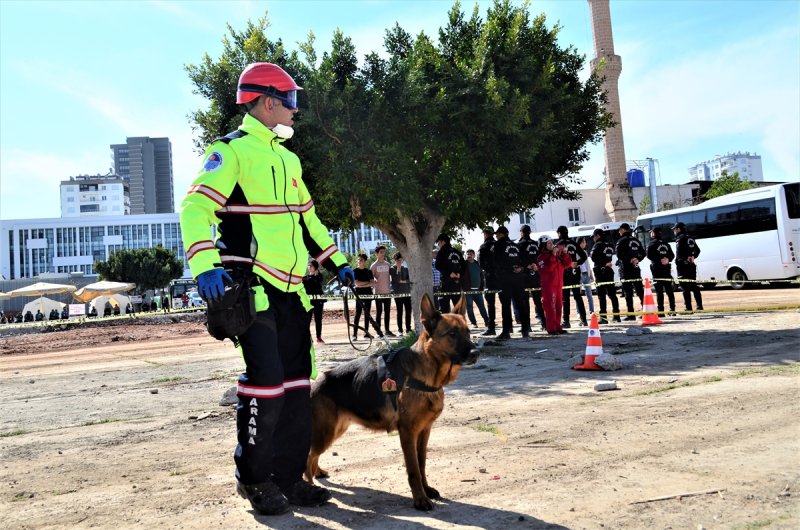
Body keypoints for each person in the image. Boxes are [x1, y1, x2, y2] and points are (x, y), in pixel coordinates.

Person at [179, 62, 355, 515]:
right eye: (291, 100)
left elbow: (308, 221)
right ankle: (254, 480)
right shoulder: (230, 151)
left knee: (298, 388)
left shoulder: (288, 158)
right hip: (252, 289)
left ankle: (288, 479)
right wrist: (205, 266)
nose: (296, 109)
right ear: (268, 101)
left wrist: (337, 262)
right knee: (266, 386)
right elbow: (194, 210)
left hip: (293, 293)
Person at [492, 226, 530, 339]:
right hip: (518, 278)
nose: (496, 236)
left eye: (497, 234)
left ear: (502, 234)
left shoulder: (498, 245)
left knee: (506, 305)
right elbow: (525, 260)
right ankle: (525, 330)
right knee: (521, 304)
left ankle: (506, 331)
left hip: (505, 279)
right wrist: (520, 268)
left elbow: (496, 262)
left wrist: (508, 270)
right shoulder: (516, 245)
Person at [536, 237, 572, 334]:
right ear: (544, 246)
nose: (552, 245)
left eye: (552, 243)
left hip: (558, 285)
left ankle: (557, 327)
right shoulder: (541, 258)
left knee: (558, 306)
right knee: (550, 307)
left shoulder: (557, 256)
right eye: (549, 244)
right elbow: (549, 268)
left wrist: (565, 253)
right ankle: (551, 329)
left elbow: (568, 264)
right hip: (548, 286)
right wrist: (553, 255)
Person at [556, 226, 588, 328]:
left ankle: (566, 321)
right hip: (575, 272)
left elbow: (556, 259)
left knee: (565, 297)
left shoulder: (559, 245)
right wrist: (577, 263)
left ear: (559, 233)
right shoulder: (573, 243)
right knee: (577, 296)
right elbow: (584, 256)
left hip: (565, 273)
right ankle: (584, 320)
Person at [615, 223, 646, 321]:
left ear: (623, 230)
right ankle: (645, 311)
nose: (619, 232)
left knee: (628, 292)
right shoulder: (636, 240)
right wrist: (637, 259)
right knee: (640, 291)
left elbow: (619, 255)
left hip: (626, 269)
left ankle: (631, 314)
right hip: (636, 268)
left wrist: (629, 259)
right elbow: (643, 253)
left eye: (620, 230)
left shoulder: (621, 241)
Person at [590, 228, 621, 323]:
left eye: (594, 237)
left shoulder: (597, 245)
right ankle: (616, 316)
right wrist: (606, 263)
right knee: (612, 294)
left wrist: (603, 264)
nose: (593, 239)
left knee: (601, 295)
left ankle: (603, 317)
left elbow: (593, 257)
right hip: (609, 271)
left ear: (597, 236)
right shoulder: (610, 245)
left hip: (601, 272)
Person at [518, 225, 545, 331]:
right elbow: (540, 257)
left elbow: (518, 259)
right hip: (536, 275)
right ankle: (544, 323)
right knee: (538, 302)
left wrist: (527, 266)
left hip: (525, 276)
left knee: (525, 302)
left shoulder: (520, 244)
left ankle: (527, 326)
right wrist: (535, 265)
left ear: (521, 232)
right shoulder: (535, 244)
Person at [673, 222, 703, 312]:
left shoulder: (679, 238)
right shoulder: (690, 238)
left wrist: (680, 261)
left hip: (683, 267)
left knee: (685, 288)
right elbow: (697, 250)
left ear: (678, 229)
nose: (674, 231)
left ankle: (688, 308)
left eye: (674, 229)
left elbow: (678, 255)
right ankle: (699, 306)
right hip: (691, 265)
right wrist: (693, 257)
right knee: (694, 286)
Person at [646, 227, 676, 316]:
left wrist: (659, 261)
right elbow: (672, 255)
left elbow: (649, 255)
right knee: (669, 290)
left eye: (651, 232)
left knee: (659, 291)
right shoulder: (666, 244)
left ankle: (661, 311)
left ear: (654, 234)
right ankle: (672, 309)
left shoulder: (651, 244)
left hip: (657, 269)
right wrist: (667, 260)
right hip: (666, 269)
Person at [435, 234, 465, 314]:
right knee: (457, 308)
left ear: (443, 241)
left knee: (444, 309)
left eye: (439, 242)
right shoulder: (457, 252)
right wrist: (459, 273)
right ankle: (457, 326)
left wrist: (449, 273)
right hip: (456, 283)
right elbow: (464, 266)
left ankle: (447, 326)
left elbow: (437, 265)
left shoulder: (442, 252)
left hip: (446, 283)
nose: (438, 244)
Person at [370, 245, 394, 337]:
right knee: (379, 312)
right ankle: (378, 332)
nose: (383, 254)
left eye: (384, 252)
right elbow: (370, 279)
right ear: (376, 254)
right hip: (378, 293)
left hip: (387, 292)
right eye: (381, 252)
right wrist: (373, 282)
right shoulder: (373, 266)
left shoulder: (388, 264)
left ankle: (387, 330)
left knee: (387, 312)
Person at [478, 227, 498, 336]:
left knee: (491, 304)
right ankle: (508, 327)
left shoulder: (484, 247)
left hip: (490, 278)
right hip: (501, 277)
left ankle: (491, 328)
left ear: (485, 234)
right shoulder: (499, 245)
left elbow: (481, 264)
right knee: (506, 303)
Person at [463, 249, 490, 329]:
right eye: (467, 254)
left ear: (474, 255)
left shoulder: (477, 264)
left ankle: (487, 322)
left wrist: (482, 287)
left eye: (471, 254)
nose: (469, 255)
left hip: (478, 290)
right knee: (469, 307)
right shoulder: (464, 265)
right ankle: (473, 323)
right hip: (468, 291)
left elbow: (481, 276)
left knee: (482, 306)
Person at [353, 254, 376, 339]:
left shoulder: (368, 271)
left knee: (367, 314)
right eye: (358, 259)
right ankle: (354, 334)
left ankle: (366, 333)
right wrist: (367, 283)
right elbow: (357, 284)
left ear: (365, 261)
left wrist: (362, 284)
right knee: (357, 314)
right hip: (359, 295)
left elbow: (373, 283)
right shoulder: (355, 271)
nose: (359, 261)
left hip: (368, 295)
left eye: (361, 260)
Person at [303, 260, 326, 344]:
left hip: (319, 301)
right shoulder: (305, 278)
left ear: (315, 267)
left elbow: (317, 283)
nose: (309, 267)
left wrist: (315, 276)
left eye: (311, 265)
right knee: (307, 320)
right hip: (309, 301)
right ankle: (309, 338)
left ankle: (318, 337)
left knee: (318, 319)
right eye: (308, 265)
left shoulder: (319, 276)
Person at [389, 252, 412, 334]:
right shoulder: (392, 269)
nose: (400, 261)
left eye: (401, 260)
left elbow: (410, 281)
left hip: (407, 293)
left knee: (408, 311)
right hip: (398, 293)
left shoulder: (406, 269)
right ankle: (400, 330)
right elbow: (397, 280)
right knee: (400, 312)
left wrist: (403, 281)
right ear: (395, 260)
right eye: (398, 260)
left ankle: (408, 329)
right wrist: (398, 270)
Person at [577, 237, 596, 316]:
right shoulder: (575, 253)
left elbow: (588, 265)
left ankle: (592, 311)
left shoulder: (585, 252)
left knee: (589, 295)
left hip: (586, 275)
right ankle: (579, 312)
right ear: (581, 243)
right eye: (584, 242)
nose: (585, 244)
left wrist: (591, 275)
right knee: (578, 295)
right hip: (579, 275)